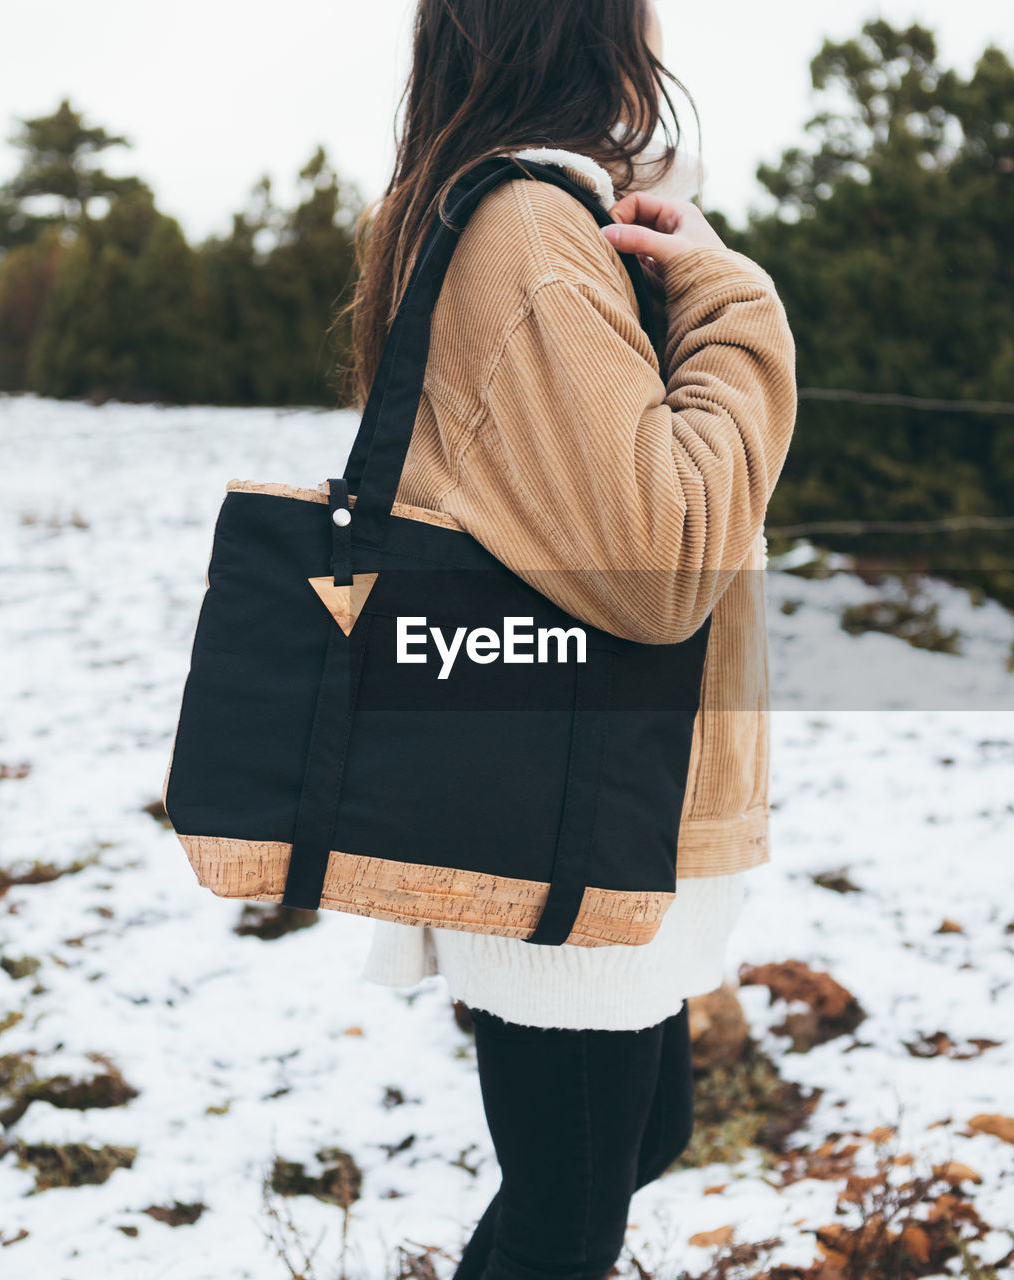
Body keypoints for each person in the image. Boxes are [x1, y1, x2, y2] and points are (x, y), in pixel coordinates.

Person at [342, 1, 797, 1275]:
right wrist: (733, 301)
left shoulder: (528, 216)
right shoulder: (530, 230)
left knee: (628, 1141)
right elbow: (660, 564)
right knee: (567, 1202)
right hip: (567, 792)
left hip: (591, 774)